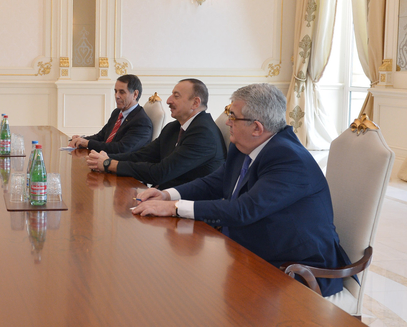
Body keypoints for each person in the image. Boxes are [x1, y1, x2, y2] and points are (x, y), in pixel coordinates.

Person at [133, 83, 349, 297]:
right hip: (250, 250)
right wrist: (167, 195)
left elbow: (243, 210)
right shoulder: (245, 145)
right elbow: (214, 183)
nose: (228, 122)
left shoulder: (289, 159)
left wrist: (174, 208)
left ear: (257, 128)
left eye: (233, 116)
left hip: (294, 268)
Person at [86, 79, 226, 189]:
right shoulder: (174, 127)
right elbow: (142, 155)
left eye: (176, 96)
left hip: (188, 207)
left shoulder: (203, 134)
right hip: (163, 197)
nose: (168, 100)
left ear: (195, 103)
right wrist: (105, 158)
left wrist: (109, 164)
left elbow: (160, 173)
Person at [68, 74, 152, 154]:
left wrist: (87, 143)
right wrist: (80, 139)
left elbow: (121, 149)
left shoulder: (141, 122)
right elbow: (101, 137)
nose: (116, 96)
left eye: (122, 92)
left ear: (135, 94)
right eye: (115, 91)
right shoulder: (117, 113)